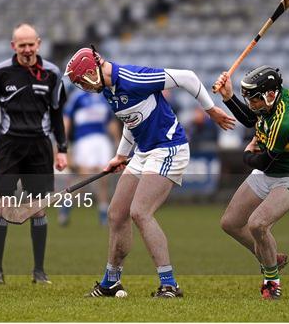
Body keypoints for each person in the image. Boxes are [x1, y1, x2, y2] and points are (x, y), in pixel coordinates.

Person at [64, 47, 235, 298]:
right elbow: (132, 121)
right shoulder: (107, 90)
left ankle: (169, 285)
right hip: (143, 151)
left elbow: (187, 77)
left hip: (169, 148)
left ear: (92, 72)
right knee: (116, 213)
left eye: (81, 80)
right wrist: (121, 156)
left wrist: (211, 110)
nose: (82, 87)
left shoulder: (133, 78)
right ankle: (111, 282)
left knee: (140, 212)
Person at [0, 23, 68, 285]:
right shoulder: (0, 73)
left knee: (37, 209)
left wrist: (62, 149)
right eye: (22, 45)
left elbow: (57, 113)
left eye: (31, 44)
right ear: (13, 46)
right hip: (8, 145)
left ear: (38, 44)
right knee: (2, 205)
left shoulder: (52, 73)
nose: (27, 49)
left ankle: (39, 271)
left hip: (40, 146)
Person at [214, 66, 289, 300]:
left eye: (254, 99)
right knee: (230, 223)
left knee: (257, 224)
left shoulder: (286, 121)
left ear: (270, 94)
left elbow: (262, 161)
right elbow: (253, 119)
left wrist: (246, 155)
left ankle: (272, 281)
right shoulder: (273, 99)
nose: (251, 103)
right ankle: (270, 256)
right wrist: (229, 97)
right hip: (271, 171)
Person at [60, 89, 120, 227]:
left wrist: (117, 142)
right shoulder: (78, 96)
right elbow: (67, 118)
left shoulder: (105, 97)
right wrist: (63, 142)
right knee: (84, 178)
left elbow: (110, 121)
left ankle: (103, 213)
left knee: (104, 178)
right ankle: (66, 206)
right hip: (84, 140)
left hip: (102, 141)